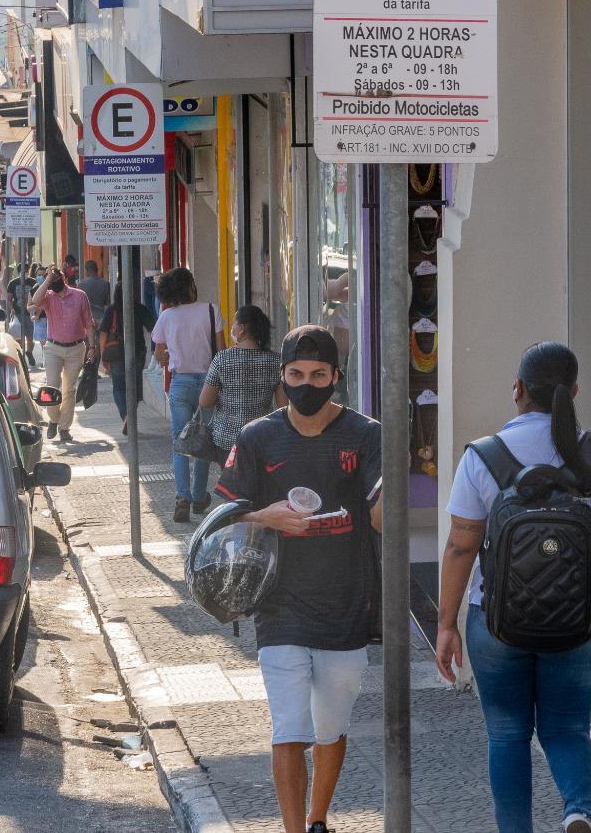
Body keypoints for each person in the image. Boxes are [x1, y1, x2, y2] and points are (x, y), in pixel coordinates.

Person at [436, 342, 591, 833]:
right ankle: (577, 811)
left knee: (507, 735)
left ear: (517, 389)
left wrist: (446, 624)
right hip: (581, 618)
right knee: (567, 727)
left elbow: (461, 547)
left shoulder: (483, 457)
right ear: (577, 392)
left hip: (496, 621)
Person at [214, 324, 382, 833]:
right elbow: (225, 514)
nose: (307, 384)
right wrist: (267, 516)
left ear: (336, 377)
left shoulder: (365, 434)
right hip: (278, 602)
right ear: (282, 378)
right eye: (296, 375)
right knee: (289, 726)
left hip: (347, 603)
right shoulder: (257, 437)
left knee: (330, 726)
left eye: (318, 374)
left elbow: (379, 517)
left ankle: (317, 819)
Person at [151, 267, 226, 522]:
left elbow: (159, 355)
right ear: (190, 287)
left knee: (180, 442)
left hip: (180, 383)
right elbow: (222, 351)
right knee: (203, 440)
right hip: (209, 382)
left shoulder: (167, 316)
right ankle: (197, 495)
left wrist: (173, 354)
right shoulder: (211, 310)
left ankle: (181, 497)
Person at [200, 305, 286, 469]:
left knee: (231, 489)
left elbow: (204, 402)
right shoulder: (276, 361)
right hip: (261, 437)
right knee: (257, 488)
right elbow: (283, 406)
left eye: (234, 323)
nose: (232, 328)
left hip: (226, 439)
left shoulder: (222, 359)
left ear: (242, 328)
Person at [31, 264, 95, 443]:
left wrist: (92, 347)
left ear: (64, 279)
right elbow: (35, 300)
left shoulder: (79, 296)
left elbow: (89, 322)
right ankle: (53, 419)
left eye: (57, 279)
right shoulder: (48, 297)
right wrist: (48, 279)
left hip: (76, 348)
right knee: (51, 386)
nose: (55, 282)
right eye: (52, 280)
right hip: (53, 348)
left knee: (69, 389)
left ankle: (64, 427)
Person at [98, 281, 155, 434]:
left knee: (119, 387)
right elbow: (153, 329)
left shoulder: (112, 310)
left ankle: (125, 417)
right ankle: (128, 418)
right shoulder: (141, 309)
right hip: (137, 354)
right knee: (135, 389)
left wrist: (103, 355)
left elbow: (103, 333)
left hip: (116, 355)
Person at [5, 264, 38, 365]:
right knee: (18, 336)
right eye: (23, 272)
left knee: (30, 336)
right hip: (18, 313)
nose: (25, 274)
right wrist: (12, 309)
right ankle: (19, 355)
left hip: (30, 313)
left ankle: (29, 352)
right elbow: (9, 299)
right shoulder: (13, 283)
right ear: (19, 272)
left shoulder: (33, 282)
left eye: (27, 272)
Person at [77, 260, 111, 326]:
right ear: (97, 270)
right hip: (101, 318)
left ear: (86, 271)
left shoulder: (81, 285)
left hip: (86, 319)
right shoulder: (105, 284)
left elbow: (78, 305)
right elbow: (108, 303)